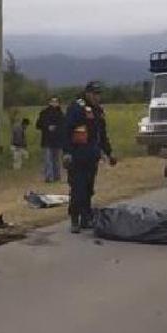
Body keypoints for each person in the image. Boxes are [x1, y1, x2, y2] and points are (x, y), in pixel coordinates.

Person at [63, 81, 117, 233]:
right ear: (87, 93)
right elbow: (66, 130)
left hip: (92, 155)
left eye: (98, 94)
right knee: (77, 188)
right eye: (94, 93)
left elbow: (102, 135)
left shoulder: (97, 111)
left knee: (88, 188)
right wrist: (67, 152)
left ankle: (86, 218)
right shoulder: (77, 108)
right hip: (76, 155)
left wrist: (109, 153)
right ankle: (74, 219)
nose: (96, 97)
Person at [35, 96, 65, 182]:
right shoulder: (44, 113)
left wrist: (58, 129)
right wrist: (47, 127)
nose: (54, 103)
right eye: (53, 101)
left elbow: (64, 126)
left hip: (58, 140)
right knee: (48, 159)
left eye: (56, 101)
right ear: (49, 102)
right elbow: (38, 125)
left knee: (56, 160)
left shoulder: (61, 114)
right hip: (47, 139)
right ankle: (49, 177)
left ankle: (57, 176)